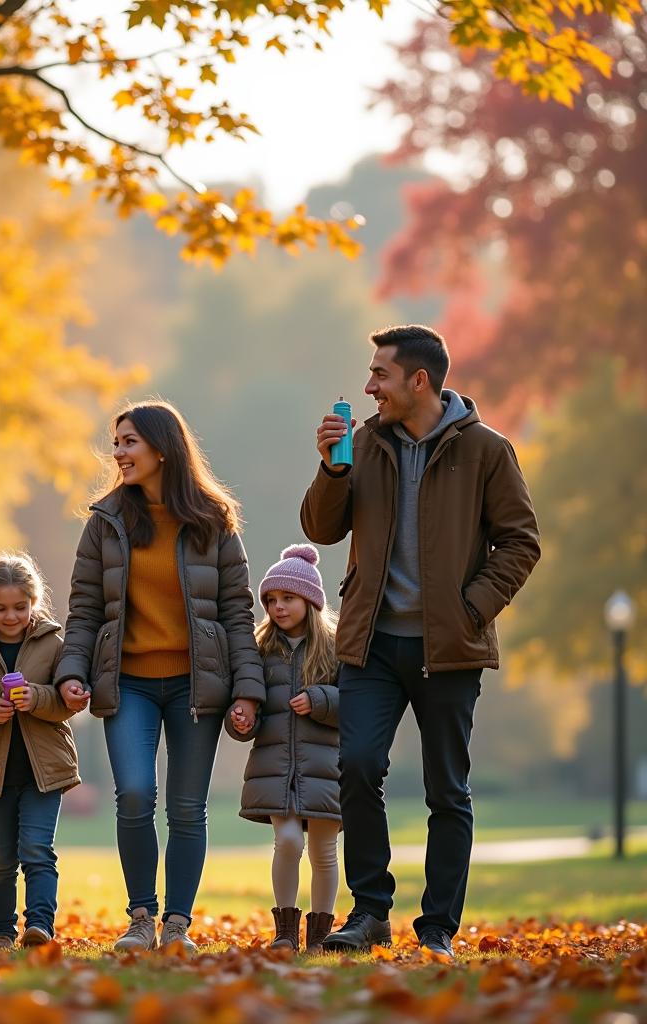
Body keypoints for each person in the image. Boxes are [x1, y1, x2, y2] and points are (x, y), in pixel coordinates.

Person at [302, 325, 540, 958]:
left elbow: (521, 542)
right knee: (356, 768)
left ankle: (437, 928)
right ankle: (370, 910)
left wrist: (471, 609)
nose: (368, 385)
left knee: (446, 790)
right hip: (372, 645)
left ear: (419, 381)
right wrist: (330, 470)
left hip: (449, 647)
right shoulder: (363, 446)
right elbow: (322, 529)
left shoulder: (487, 451)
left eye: (379, 374)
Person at [54, 401, 265, 954]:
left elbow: (237, 613)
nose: (118, 453)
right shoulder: (105, 523)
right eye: (116, 442)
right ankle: (141, 918)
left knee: (187, 808)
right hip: (129, 684)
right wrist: (73, 672)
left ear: (162, 448)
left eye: (129, 442)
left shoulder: (213, 522)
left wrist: (247, 689)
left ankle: (176, 924)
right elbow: (83, 611)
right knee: (134, 794)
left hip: (198, 687)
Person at [0, 552, 80, 951]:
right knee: (1, 857)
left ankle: (39, 925)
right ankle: (1, 932)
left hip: (44, 768)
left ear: (34, 602)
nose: (11, 616)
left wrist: (37, 697)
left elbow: (66, 703)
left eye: (20, 607)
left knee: (38, 850)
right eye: (1, 608)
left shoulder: (53, 642)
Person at [227, 544, 341, 953]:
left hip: (326, 768)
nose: (277, 607)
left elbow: (360, 706)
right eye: (271, 600)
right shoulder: (261, 650)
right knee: (289, 841)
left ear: (310, 601)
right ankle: (286, 931)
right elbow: (246, 704)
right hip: (275, 768)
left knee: (324, 850)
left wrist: (322, 701)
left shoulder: (335, 648)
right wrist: (241, 719)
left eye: (287, 598)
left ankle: (322, 935)